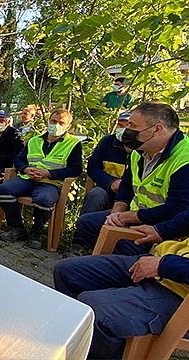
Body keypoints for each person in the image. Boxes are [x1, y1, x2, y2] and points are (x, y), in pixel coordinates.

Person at [54, 207, 189, 359]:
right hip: (163, 265)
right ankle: (73, 346)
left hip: (180, 296)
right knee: (68, 272)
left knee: (95, 310)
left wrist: (163, 266)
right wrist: (160, 230)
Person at [72, 102, 189, 255]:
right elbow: (126, 186)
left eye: (132, 126)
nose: (127, 131)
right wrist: (116, 213)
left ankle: (128, 264)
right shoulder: (140, 149)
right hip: (135, 216)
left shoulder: (184, 158)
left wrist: (130, 218)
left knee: (124, 245)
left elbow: (177, 208)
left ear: (157, 129)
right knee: (87, 223)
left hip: (163, 227)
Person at [0, 109, 82, 249]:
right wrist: (25, 169)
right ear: (48, 121)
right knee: (3, 190)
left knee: (43, 200)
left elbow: (75, 169)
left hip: (51, 183)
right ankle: (17, 228)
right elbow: (19, 159)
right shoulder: (34, 140)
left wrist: (49, 173)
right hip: (27, 178)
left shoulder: (73, 144)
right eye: (53, 121)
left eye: (61, 123)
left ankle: (36, 233)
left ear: (68, 127)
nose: (56, 125)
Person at [80, 111, 131, 215]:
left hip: (133, 193)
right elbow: (93, 167)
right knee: (96, 195)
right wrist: (111, 182)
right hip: (107, 188)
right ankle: (83, 228)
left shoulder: (143, 147)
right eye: (120, 125)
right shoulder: (107, 142)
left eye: (127, 126)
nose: (123, 130)